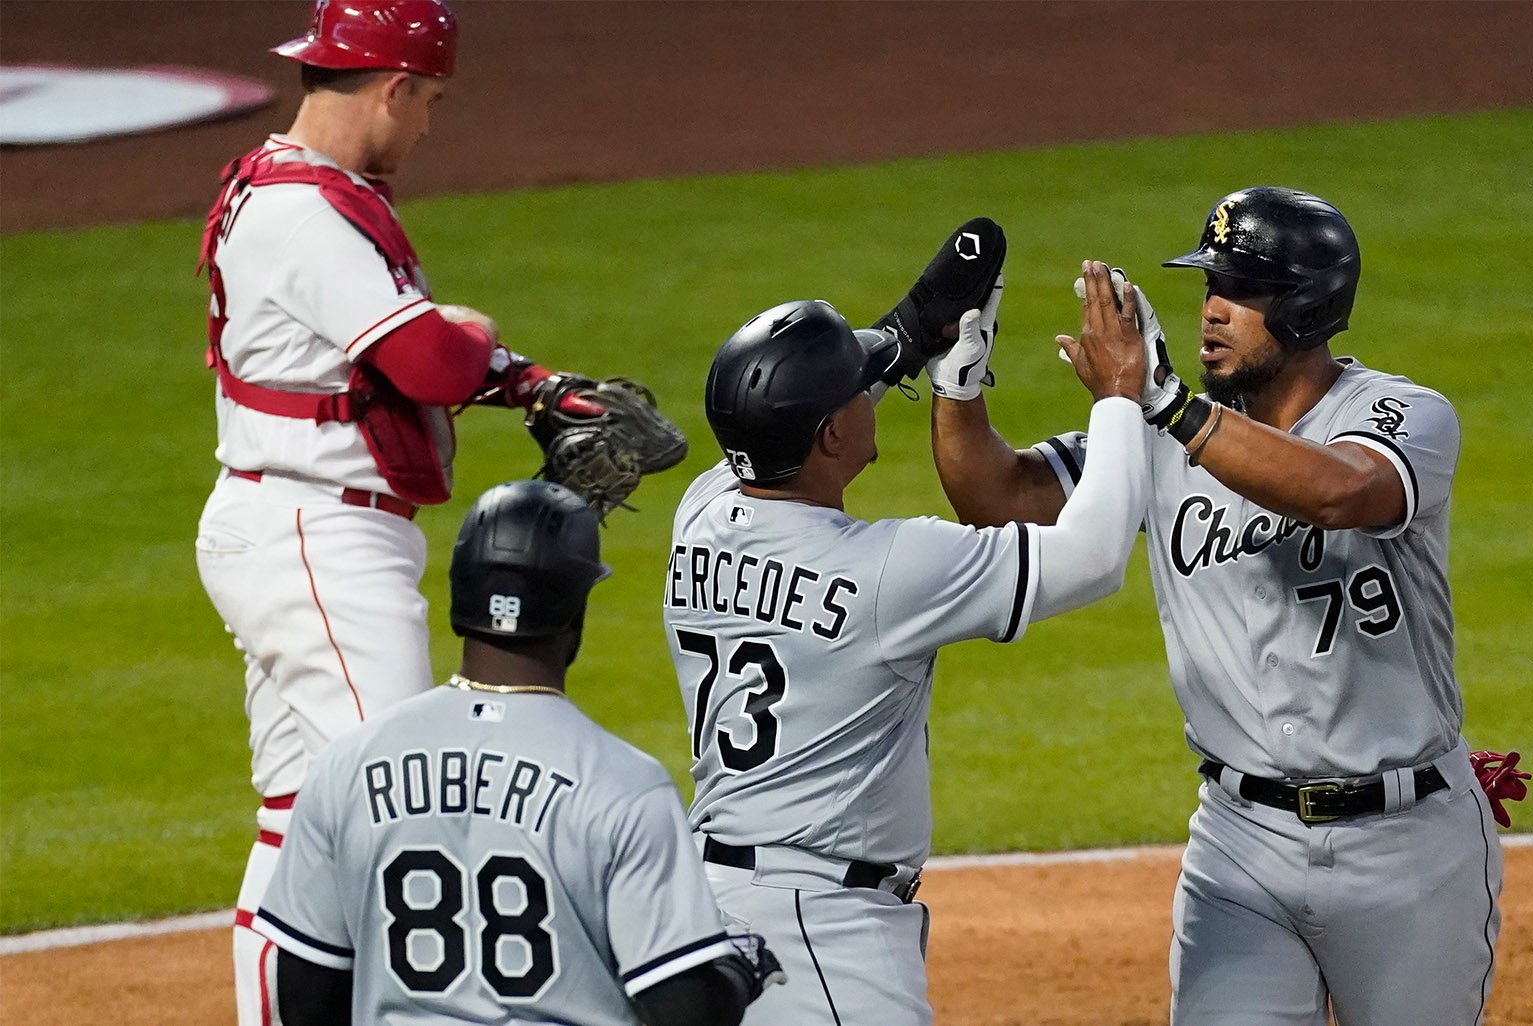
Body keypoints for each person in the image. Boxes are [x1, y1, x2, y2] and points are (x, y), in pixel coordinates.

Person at [929, 188, 1510, 1025]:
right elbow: (1000, 496)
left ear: (1308, 306)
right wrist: (960, 375)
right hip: (1240, 847)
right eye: (1209, 287)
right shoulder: (1169, 437)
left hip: (1406, 847)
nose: (1210, 311)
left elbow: (1344, 490)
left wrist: (1165, 404)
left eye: (1239, 291)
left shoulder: (1402, 414)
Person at [192, 4, 603, 1021]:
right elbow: (420, 356)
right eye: (427, 103)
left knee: (301, 812)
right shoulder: (302, 213)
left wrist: (531, 382)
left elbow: (397, 348)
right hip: (315, 537)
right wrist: (475, 334)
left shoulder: (309, 190)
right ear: (390, 89)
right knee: (410, 800)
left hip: (300, 527)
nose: (427, 126)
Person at [662, 276, 1149, 1025]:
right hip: (821, 935)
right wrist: (1120, 394)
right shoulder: (889, 570)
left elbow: (772, 431)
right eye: (856, 389)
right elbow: (1093, 555)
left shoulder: (701, 515)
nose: (868, 393)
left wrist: (906, 338)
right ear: (830, 436)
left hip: (705, 909)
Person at [251, 480, 782, 1026]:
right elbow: (684, 1010)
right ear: (575, 613)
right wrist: (733, 972)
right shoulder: (622, 782)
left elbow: (304, 993)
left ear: (459, 595)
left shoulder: (349, 764)